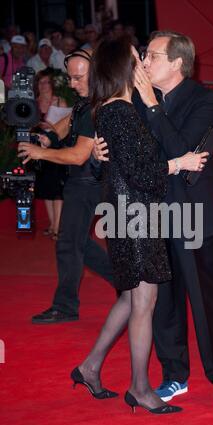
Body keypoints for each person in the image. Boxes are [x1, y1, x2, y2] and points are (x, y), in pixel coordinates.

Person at [94, 31, 213, 406]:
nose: (143, 61)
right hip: (151, 217)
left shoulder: (208, 100)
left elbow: (185, 157)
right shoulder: (135, 104)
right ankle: (174, 373)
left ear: (177, 63)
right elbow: (131, 161)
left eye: (152, 55)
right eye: (143, 54)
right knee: (161, 303)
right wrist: (99, 155)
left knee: (209, 302)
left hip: (196, 215)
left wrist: (151, 106)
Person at [71, 36, 208, 414]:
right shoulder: (121, 111)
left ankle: (90, 368)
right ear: (122, 67)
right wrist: (179, 164)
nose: (143, 63)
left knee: (131, 298)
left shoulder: (110, 109)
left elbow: (122, 165)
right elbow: (143, 172)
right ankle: (141, 388)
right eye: (137, 57)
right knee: (143, 302)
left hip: (127, 214)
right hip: (137, 217)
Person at [18, 49, 114, 324]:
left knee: (69, 244)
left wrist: (41, 153)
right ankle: (125, 281)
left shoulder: (98, 106)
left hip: (87, 183)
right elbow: (69, 120)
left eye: (78, 78)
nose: (72, 84)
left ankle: (65, 306)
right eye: (70, 77)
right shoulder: (88, 100)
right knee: (76, 242)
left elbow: (78, 155)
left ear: (96, 73)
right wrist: (49, 137)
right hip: (84, 182)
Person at [33, 68, 70, 240]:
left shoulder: (60, 101)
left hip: (56, 147)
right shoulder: (34, 102)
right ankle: (51, 223)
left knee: (57, 189)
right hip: (38, 147)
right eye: (41, 82)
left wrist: (50, 126)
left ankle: (58, 227)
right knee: (46, 189)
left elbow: (66, 126)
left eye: (47, 81)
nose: (44, 85)